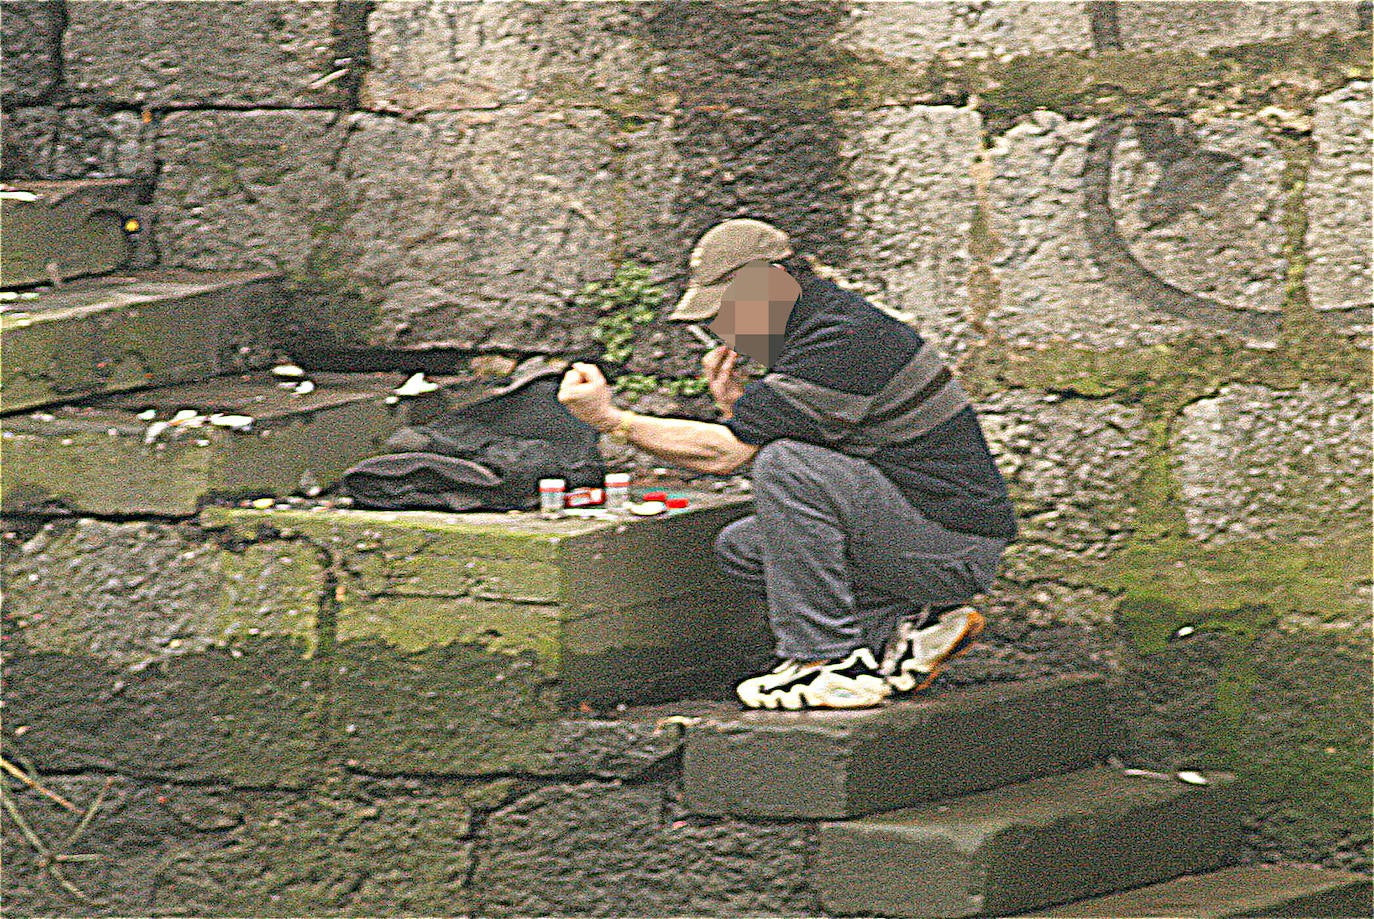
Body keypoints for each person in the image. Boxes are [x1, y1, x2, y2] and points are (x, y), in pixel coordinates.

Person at [557, 218, 1017, 710]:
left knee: (786, 466)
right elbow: (809, 447)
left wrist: (609, 420)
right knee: (745, 547)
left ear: (774, 284)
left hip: (950, 544)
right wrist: (739, 408)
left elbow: (732, 454)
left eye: (726, 312)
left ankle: (829, 662)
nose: (719, 331)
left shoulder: (843, 340)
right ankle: (913, 627)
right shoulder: (821, 326)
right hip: (933, 539)